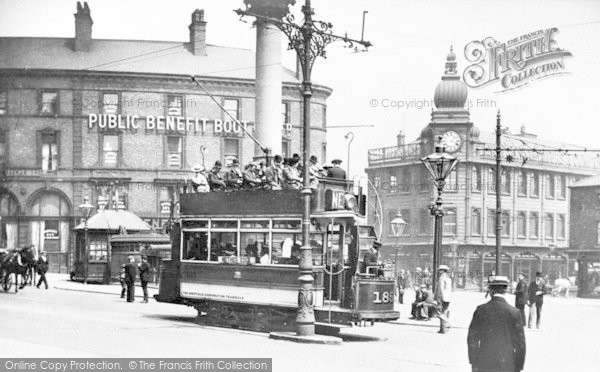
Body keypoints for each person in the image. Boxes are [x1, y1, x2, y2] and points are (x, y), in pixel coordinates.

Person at [467, 276, 526, 372]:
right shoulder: (514, 312)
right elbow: (520, 343)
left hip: (484, 362)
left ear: (491, 290)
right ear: (505, 290)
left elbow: (472, 339)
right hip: (507, 363)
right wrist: (519, 366)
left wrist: (473, 361)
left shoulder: (481, 310)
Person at [435, 264, 452, 333]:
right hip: (448, 298)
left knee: (439, 313)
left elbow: (440, 289)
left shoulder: (441, 278)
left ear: (443, 271)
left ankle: (447, 323)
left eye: (440, 270)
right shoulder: (448, 278)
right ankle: (443, 329)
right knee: (444, 313)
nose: (439, 271)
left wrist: (438, 298)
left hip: (442, 297)